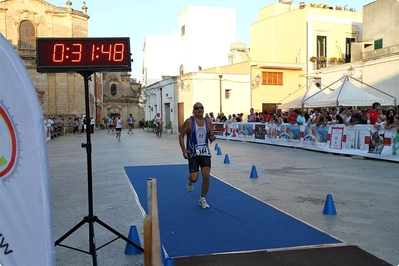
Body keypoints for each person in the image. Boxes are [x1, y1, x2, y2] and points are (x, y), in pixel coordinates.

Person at [178, 102, 216, 209]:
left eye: (201, 108)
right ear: (193, 110)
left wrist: (212, 138)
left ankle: (202, 199)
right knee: (195, 178)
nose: (199, 109)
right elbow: (181, 136)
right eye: (197, 108)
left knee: (206, 176)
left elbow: (211, 135)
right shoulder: (189, 122)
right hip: (193, 153)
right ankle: (190, 180)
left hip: (205, 153)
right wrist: (184, 150)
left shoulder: (208, 122)